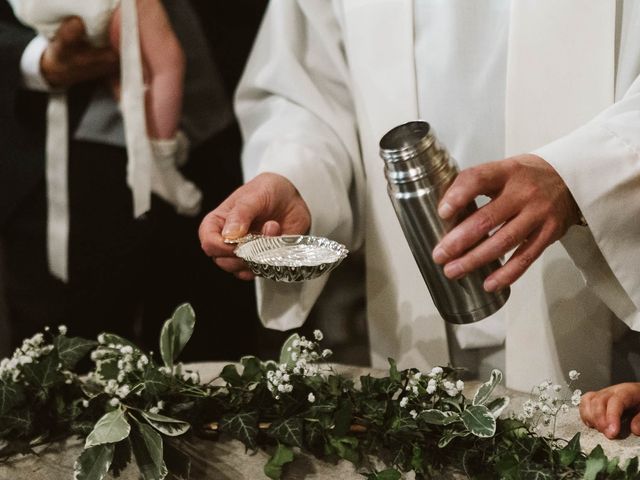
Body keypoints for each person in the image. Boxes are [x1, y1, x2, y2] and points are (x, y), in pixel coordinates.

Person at [200, 0, 640, 391]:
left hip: (605, 308)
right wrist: (295, 176)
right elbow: (309, 87)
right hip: (419, 325)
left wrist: (576, 176)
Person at [0, 0, 261, 360]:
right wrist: (33, 59)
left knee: (215, 350)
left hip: (217, 135)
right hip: (50, 162)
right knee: (70, 361)